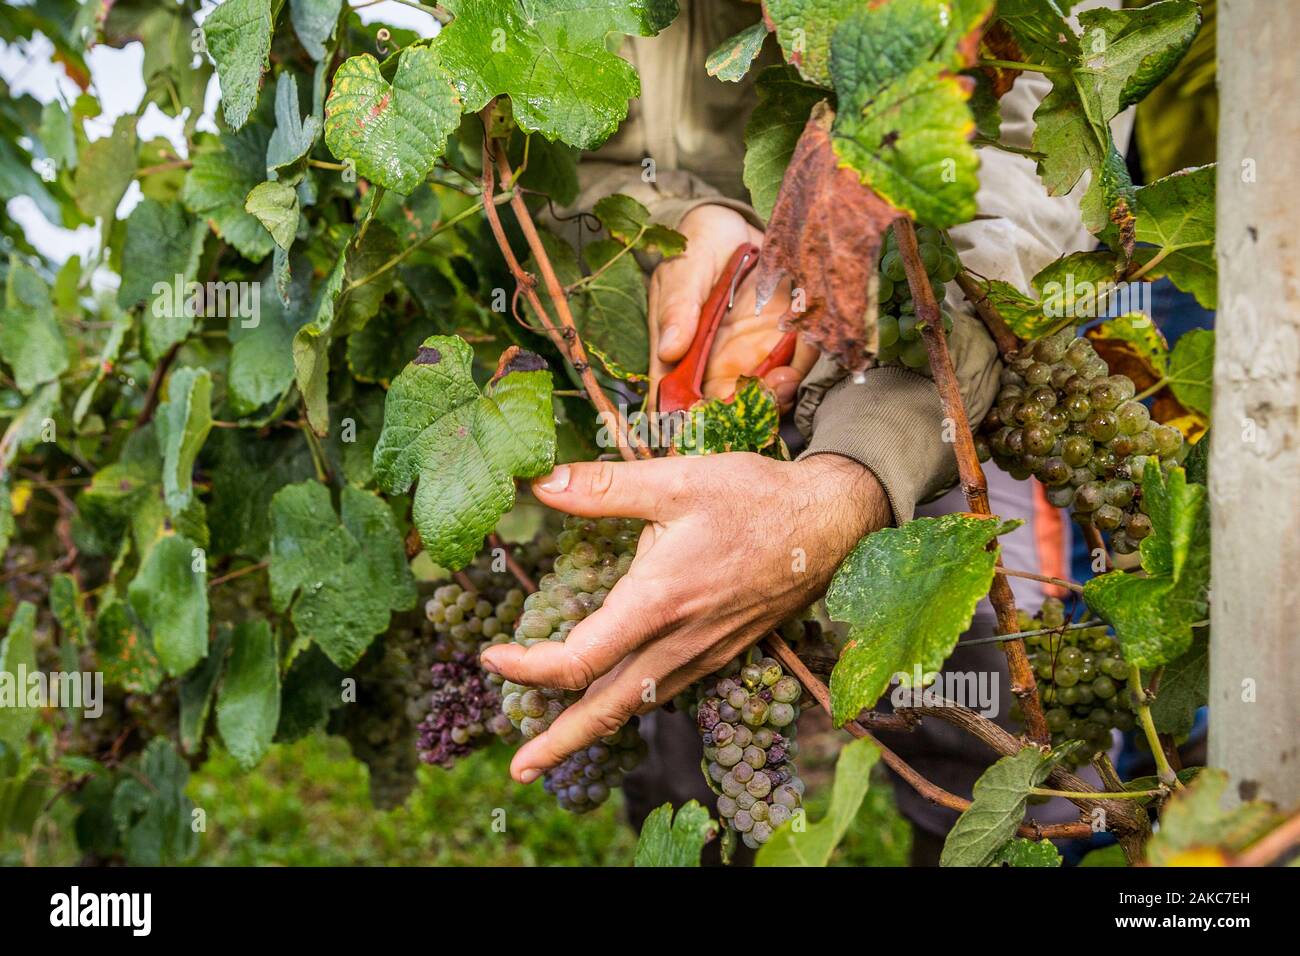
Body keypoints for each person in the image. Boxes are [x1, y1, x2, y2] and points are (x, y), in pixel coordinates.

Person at [480, 0, 1129, 861]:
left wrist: (860, 463)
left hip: (925, 364)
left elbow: (1035, 180)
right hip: (678, 374)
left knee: (995, 747)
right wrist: (676, 230)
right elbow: (555, 160)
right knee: (689, 729)